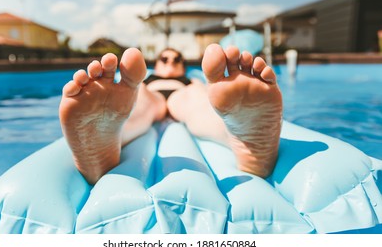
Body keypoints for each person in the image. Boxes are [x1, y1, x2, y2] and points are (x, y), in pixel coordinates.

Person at [59, 44, 283, 185]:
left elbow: (207, 96)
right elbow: (137, 95)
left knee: (196, 100)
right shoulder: (146, 81)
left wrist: (228, 97)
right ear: (156, 64)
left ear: (183, 67)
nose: (170, 63)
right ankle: (102, 136)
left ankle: (244, 135)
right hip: (149, 96)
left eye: (177, 60)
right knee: (139, 102)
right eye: (164, 59)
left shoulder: (188, 81)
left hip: (180, 94)